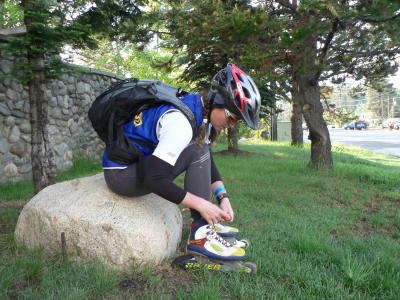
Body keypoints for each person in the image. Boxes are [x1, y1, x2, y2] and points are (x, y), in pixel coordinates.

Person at [102, 64, 261, 261]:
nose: (231, 125)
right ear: (218, 102)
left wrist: (223, 197)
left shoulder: (196, 107)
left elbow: (207, 158)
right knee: (198, 149)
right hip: (122, 176)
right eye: (232, 118)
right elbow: (154, 179)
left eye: (237, 122)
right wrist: (201, 204)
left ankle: (204, 227)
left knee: (201, 149)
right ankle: (201, 236)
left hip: (131, 166)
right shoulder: (181, 124)